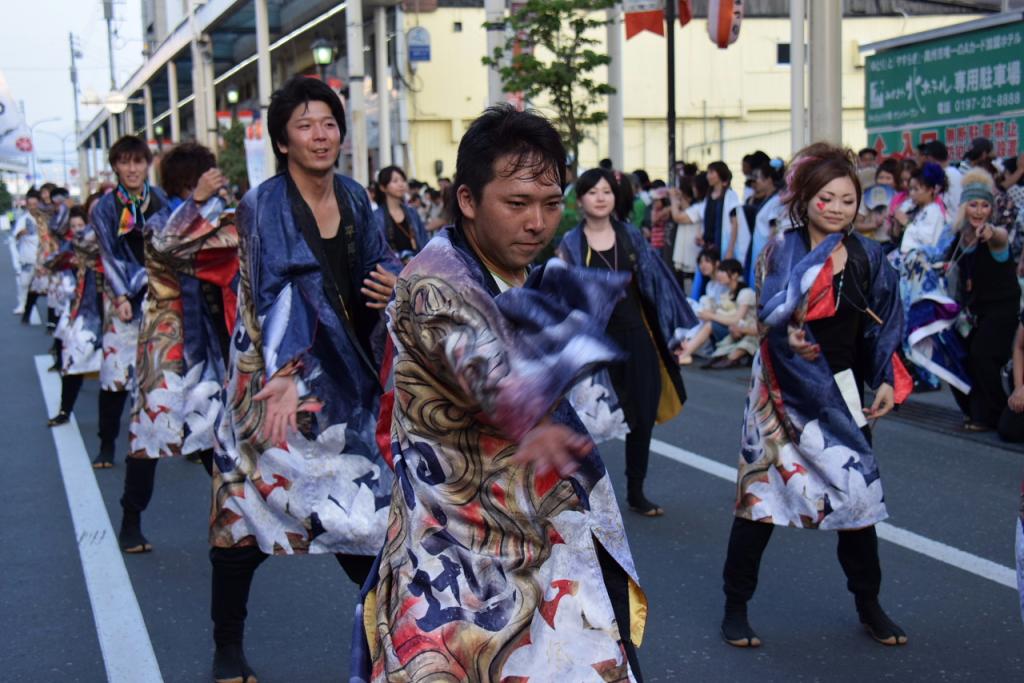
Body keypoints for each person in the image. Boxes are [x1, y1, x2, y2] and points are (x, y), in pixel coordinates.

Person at [355, 103, 647, 683]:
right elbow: (475, 357)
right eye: (517, 204)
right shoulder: (436, 280)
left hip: (541, 539)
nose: (537, 222)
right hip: (455, 555)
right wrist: (529, 415)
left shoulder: (521, 270)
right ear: (467, 200)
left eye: (549, 203)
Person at [209, 75, 400, 682]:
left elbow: (379, 262)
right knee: (242, 522)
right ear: (283, 141)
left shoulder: (353, 197)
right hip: (269, 388)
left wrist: (397, 282)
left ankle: (395, 642)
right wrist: (288, 371)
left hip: (346, 385)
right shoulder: (262, 203)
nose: (320, 136)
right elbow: (276, 289)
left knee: (367, 520)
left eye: (328, 124)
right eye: (304, 125)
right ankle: (228, 648)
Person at [720, 143, 908, 649]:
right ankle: (735, 606)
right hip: (780, 392)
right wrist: (790, 337)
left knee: (858, 502)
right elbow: (770, 314)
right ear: (805, 201)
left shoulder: (870, 257)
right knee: (761, 502)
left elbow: (885, 325)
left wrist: (886, 377)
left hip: (840, 392)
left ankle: (869, 604)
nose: (839, 208)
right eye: (827, 198)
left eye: (848, 200)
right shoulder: (782, 250)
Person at [117, 143, 240, 554]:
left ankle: (235, 520)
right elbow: (167, 245)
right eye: (202, 181)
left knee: (213, 435)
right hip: (165, 342)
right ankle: (130, 519)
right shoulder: (158, 220)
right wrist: (199, 202)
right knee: (150, 436)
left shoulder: (215, 219)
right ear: (189, 183)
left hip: (206, 344)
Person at [560, 167, 696, 516]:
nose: (601, 197)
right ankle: (580, 489)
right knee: (588, 418)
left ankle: (636, 491)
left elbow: (659, 286)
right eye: (592, 192)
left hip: (637, 336)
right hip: (595, 343)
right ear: (581, 200)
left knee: (643, 415)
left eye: (606, 191)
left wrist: (674, 333)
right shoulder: (570, 244)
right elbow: (563, 296)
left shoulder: (631, 236)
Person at [92, 135, 168, 468]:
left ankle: (172, 439)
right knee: (115, 376)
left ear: (147, 164)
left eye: (137, 161)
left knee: (163, 372)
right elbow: (107, 254)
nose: (132, 168)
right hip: (120, 296)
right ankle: (106, 443)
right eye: (124, 162)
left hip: (158, 297)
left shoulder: (160, 199)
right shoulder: (106, 207)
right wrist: (120, 295)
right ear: (116, 167)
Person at [947, 170, 1020, 431]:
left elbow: (999, 236)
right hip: (973, 312)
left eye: (985, 205)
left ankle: (1000, 411)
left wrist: (989, 232)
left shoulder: (995, 237)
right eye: (973, 205)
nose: (979, 211)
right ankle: (977, 412)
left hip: (1003, 309)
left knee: (983, 354)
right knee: (959, 355)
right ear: (964, 207)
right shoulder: (958, 239)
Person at [892, 163, 970, 393]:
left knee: (923, 325)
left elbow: (930, 245)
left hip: (923, 276)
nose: (913, 194)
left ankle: (930, 376)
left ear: (932, 189)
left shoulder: (935, 211)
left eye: (918, 189)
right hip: (911, 274)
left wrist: (906, 223)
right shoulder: (921, 210)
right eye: (912, 189)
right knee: (911, 325)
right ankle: (921, 373)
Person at [47, 200, 105, 427]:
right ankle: (64, 409)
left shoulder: (117, 242)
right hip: (85, 312)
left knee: (125, 377)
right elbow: (53, 262)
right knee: (73, 360)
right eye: (76, 225)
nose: (79, 229)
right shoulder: (75, 245)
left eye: (83, 224)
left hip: (118, 313)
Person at [670, 160, 748, 296]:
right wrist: (701, 235)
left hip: (723, 245)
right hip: (709, 246)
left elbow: (735, 223)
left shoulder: (730, 196)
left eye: (712, 172)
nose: (709, 176)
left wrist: (730, 249)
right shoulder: (709, 197)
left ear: (720, 175)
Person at [676, 258, 752, 367]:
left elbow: (737, 319)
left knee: (710, 324)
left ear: (735, 275)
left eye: (723, 271)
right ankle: (685, 347)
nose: (719, 275)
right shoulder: (727, 292)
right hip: (730, 330)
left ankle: (685, 353)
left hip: (743, 332)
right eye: (719, 271)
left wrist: (711, 315)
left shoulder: (746, 293)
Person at [372, 165, 429, 262]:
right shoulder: (376, 217)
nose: (401, 184)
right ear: (382, 187)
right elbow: (376, 251)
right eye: (395, 181)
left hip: (418, 269)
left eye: (403, 180)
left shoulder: (412, 213)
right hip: (390, 270)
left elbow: (424, 242)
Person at [13, 189, 41, 316]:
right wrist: (20, 233)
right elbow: (15, 235)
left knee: (46, 286)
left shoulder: (44, 219)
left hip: (43, 258)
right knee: (24, 283)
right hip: (28, 258)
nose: (33, 207)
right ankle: (22, 305)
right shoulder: (23, 219)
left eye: (35, 204)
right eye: (31, 205)